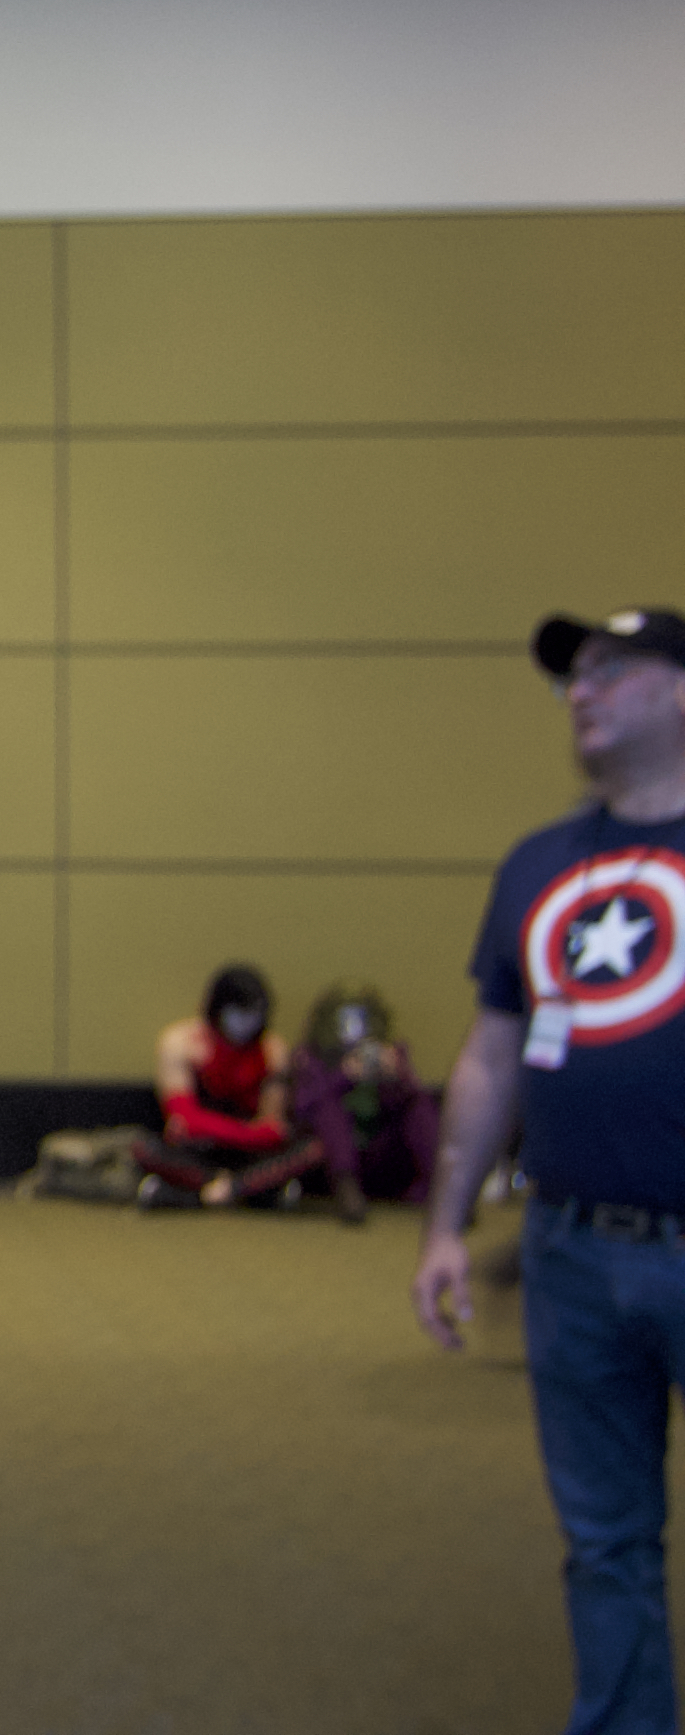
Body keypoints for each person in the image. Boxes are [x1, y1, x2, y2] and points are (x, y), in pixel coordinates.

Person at [416, 605, 685, 1735]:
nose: (580, 690)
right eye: (571, 677)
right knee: (602, 1539)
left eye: (611, 670)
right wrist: (443, 1223)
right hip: (568, 1251)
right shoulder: (536, 863)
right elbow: (488, 1056)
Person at [133, 963, 325, 1210]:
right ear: (217, 1009)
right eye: (237, 1013)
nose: (246, 1023)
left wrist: (233, 1132)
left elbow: (272, 1128)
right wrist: (246, 1131)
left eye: (253, 1014)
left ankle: (214, 1191)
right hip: (198, 1152)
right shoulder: (180, 1043)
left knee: (313, 1148)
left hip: (247, 1155)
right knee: (142, 1148)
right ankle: (247, 1191)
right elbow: (184, 1119)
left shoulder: (272, 1051)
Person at [286, 980, 439, 1225]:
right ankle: (348, 1192)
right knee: (328, 1107)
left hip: (384, 1157)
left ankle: (443, 1189)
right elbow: (301, 1107)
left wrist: (395, 1077)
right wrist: (343, 1076)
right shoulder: (310, 1057)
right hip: (333, 1163)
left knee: (419, 1105)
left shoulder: (392, 1054)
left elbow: (414, 1102)